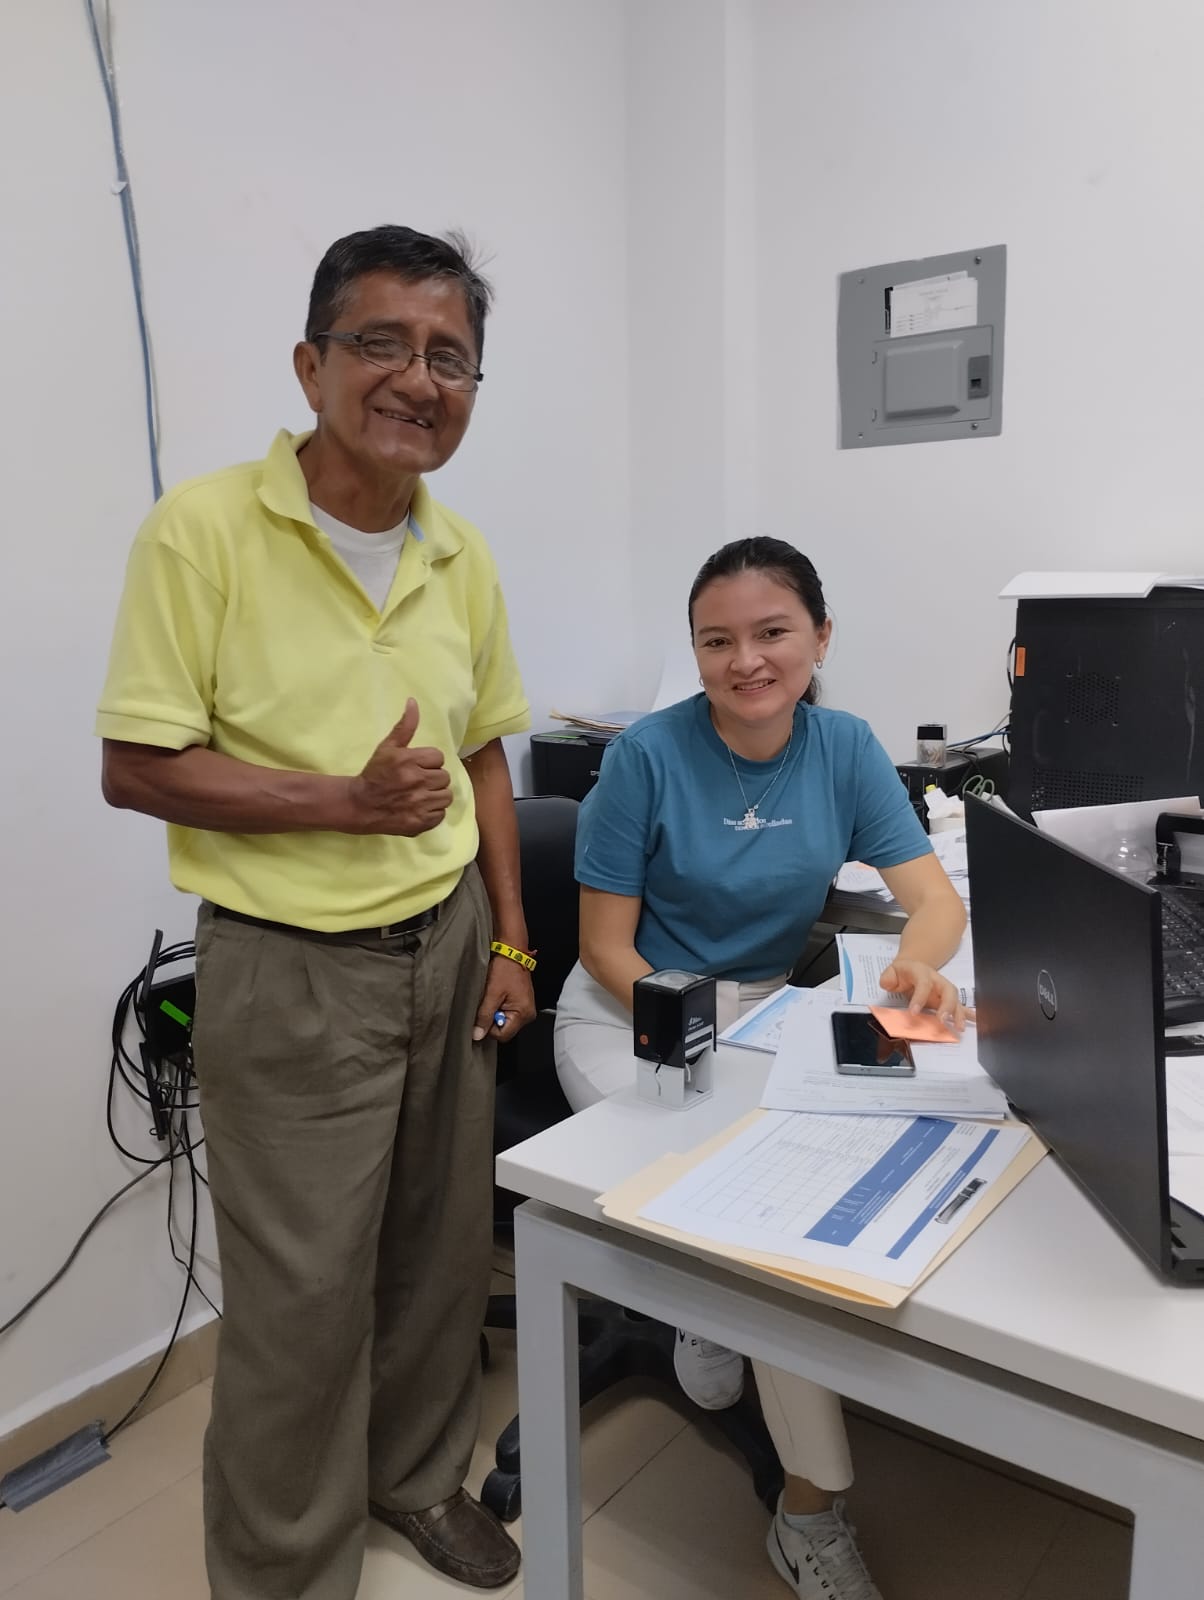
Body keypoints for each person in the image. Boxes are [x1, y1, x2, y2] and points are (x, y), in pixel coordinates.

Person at [96, 226, 535, 1599]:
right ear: (312, 364)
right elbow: (138, 764)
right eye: (382, 344)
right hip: (291, 967)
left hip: (448, 945)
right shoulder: (204, 530)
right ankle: (283, 1571)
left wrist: (509, 936)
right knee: (299, 1301)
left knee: (439, 1254)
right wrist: (345, 803)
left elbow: (484, 753)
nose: (419, 378)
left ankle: (415, 1478)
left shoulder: (460, 552)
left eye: (451, 357)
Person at [554, 536, 967, 1600]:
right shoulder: (644, 757)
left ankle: (770, 1430)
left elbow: (933, 901)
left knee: (810, 1183)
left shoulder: (844, 746)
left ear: (819, 638)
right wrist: (699, 1038)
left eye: (772, 632)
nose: (745, 661)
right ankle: (810, 1510)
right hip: (631, 1014)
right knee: (750, 1211)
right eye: (716, 641)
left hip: (763, 1015)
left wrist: (917, 970)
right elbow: (604, 947)